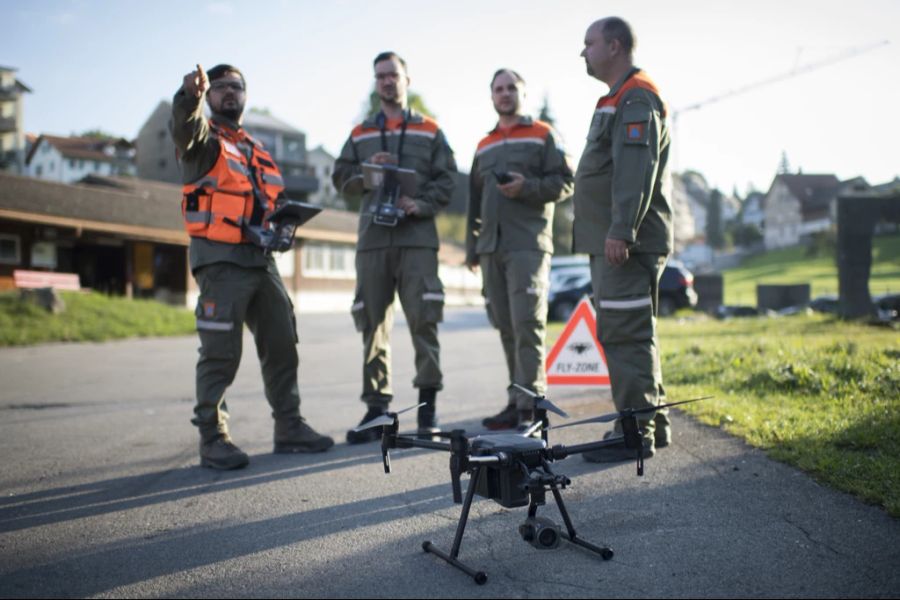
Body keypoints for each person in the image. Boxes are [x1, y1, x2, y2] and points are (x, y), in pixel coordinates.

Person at [172, 63, 334, 470]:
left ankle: (289, 427)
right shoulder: (203, 141)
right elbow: (184, 127)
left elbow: (264, 203)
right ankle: (213, 438)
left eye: (237, 87)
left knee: (282, 345)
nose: (229, 92)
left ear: (246, 96)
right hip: (221, 261)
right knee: (220, 353)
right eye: (221, 87)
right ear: (209, 96)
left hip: (262, 262)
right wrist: (188, 97)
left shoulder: (257, 149)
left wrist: (284, 222)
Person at [332, 52, 457, 443]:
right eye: (380, 76)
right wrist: (367, 175)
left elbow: (448, 179)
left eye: (393, 75)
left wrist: (420, 204)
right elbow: (340, 177)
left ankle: (427, 413)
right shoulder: (360, 134)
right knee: (372, 325)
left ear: (407, 80)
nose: (387, 81)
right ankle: (377, 412)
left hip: (416, 238)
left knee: (424, 322)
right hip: (373, 239)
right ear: (376, 82)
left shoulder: (430, 130)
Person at [573, 18, 674, 462]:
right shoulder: (619, 97)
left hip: (624, 243)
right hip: (618, 240)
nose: (583, 53)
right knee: (634, 330)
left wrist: (621, 229)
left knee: (625, 334)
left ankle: (634, 433)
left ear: (614, 46)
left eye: (589, 44)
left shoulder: (635, 96)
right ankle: (655, 423)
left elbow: (636, 170)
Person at [466, 69, 574, 430]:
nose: (505, 93)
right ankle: (516, 402)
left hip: (528, 245)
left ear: (521, 94)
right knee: (506, 326)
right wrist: (472, 247)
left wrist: (528, 186)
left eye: (511, 87)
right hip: (491, 247)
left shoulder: (543, 134)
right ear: (491, 96)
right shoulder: (484, 144)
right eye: (498, 88)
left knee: (527, 323)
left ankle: (532, 406)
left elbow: (566, 182)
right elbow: (475, 199)